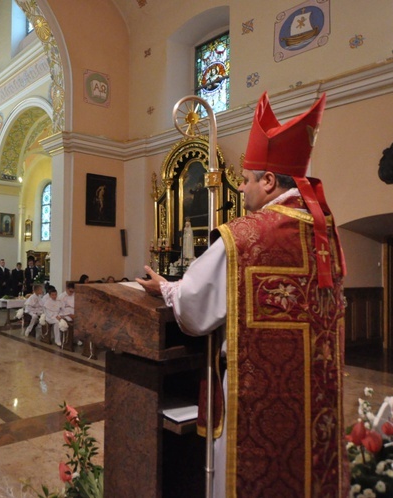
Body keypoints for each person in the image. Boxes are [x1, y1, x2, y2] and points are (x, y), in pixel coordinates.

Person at [137, 93, 348, 497]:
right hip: (313, 402)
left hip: (254, 402)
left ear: (269, 182)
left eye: (247, 179)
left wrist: (163, 287)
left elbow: (196, 308)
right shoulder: (324, 234)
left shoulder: (246, 237)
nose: (243, 187)